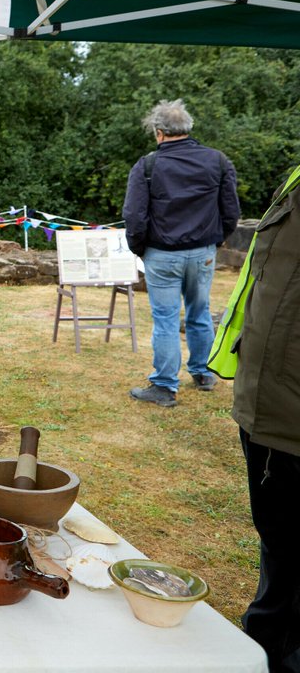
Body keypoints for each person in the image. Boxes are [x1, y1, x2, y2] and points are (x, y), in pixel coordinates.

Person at [214, 163, 300, 673]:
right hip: (271, 411)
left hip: (287, 413)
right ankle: (261, 648)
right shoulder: (296, 175)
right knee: (282, 548)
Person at [122, 99, 239, 408]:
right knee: (200, 312)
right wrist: (216, 242)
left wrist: (140, 249)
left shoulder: (147, 165)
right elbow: (231, 212)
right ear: (188, 129)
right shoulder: (218, 161)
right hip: (202, 252)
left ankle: (163, 386)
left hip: (162, 254)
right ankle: (203, 373)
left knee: (166, 319)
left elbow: (134, 216)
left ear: (159, 132)